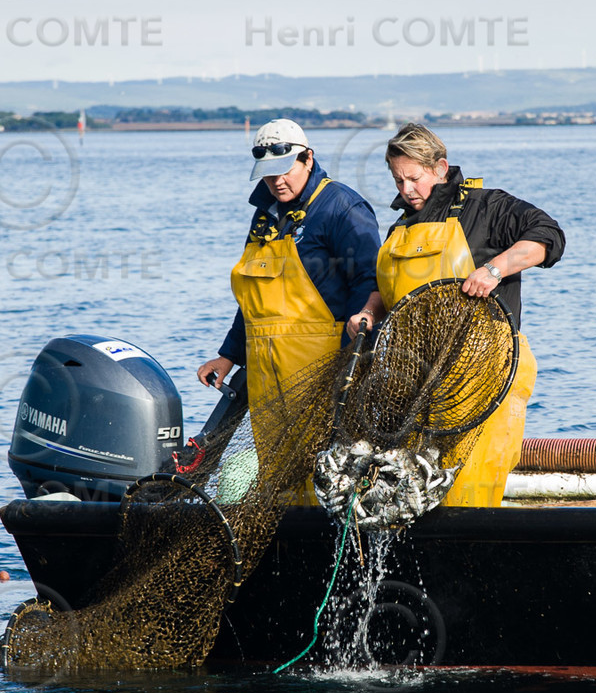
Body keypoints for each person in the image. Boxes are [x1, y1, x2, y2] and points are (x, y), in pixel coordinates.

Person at [354, 122, 565, 506]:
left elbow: (548, 236)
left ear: (439, 167)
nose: (406, 190)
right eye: (398, 180)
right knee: (416, 494)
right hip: (420, 380)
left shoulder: (486, 207)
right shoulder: (401, 225)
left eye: (414, 179)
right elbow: (386, 288)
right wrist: (368, 312)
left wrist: (495, 269)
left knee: (469, 489)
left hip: (484, 372)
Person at [196, 119, 382, 496]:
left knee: (323, 471)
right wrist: (229, 355)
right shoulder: (264, 215)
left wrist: (353, 363)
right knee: (277, 477)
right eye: (267, 176)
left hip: (319, 366)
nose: (276, 182)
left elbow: (370, 281)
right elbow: (254, 296)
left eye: (284, 171)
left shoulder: (341, 207)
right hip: (266, 370)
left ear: (307, 159)